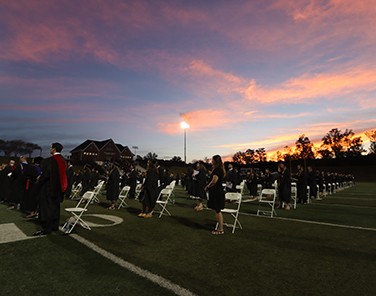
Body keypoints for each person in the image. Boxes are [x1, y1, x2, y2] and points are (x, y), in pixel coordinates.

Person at [34, 142, 67, 235]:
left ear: (54, 149)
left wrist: (39, 180)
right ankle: (54, 226)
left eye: (51, 148)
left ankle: (47, 228)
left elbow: (46, 174)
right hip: (59, 189)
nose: (50, 149)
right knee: (56, 207)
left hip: (48, 188)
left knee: (47, 208)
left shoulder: (49, 160)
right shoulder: (63, 160)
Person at [205, 155, 226, 235]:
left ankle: (220, 229)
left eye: (212, 160)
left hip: (216, 192)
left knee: (217, 210)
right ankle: (220, 227)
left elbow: (214, 180)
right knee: (216, 210)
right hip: (217, 191)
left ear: (215, 161)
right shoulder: (219, 169)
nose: (211, 161)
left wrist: (207, 186)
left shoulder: (217, 169)